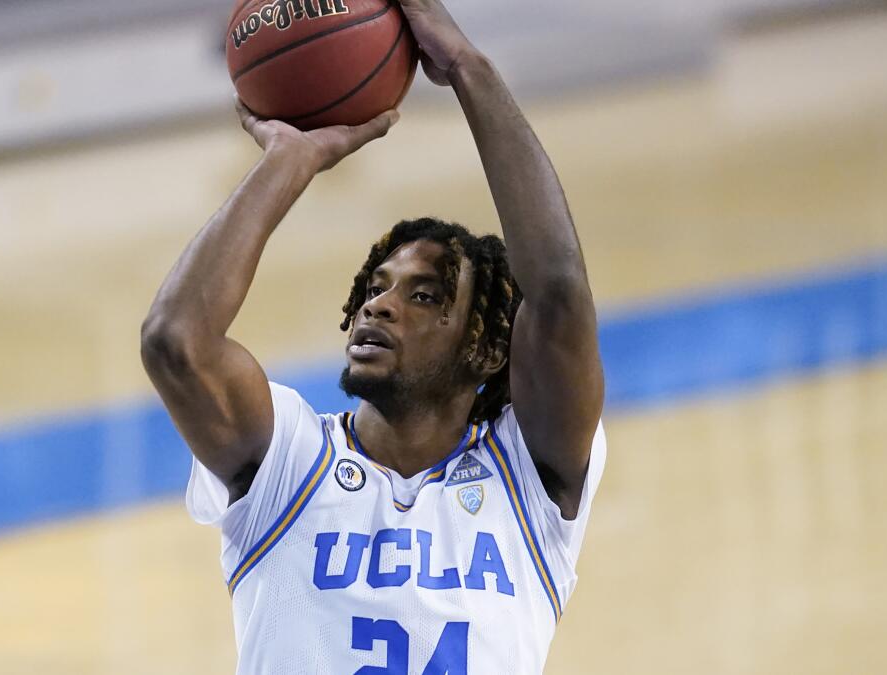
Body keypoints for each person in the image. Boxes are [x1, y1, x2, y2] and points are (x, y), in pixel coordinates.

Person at [141, 1, 605, 672]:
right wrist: (290, 161)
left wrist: (471, 70)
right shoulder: (290, 463)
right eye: (375, 286)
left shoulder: (525, 478)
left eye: (424, 296)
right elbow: (173, 342)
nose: (380, 306)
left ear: (486, 348)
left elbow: (560, 297)